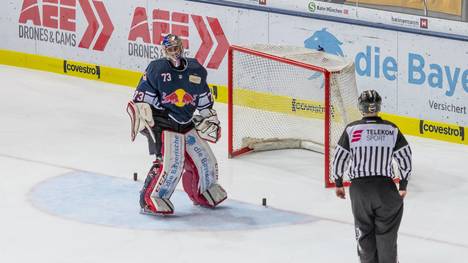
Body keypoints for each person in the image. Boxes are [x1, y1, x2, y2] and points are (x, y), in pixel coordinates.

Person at [126, 34, 227, 215]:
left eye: (176, 48)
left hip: (187, 121)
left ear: (181, 47)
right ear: (164, 51)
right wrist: (144, 116)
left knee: (205, 160)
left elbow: (203, 99)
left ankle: (202, 192)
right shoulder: (156, 69)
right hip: (164, 122)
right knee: (171, 163)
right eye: (170, 49)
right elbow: (140, 98)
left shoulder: (196, 69)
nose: (174, 52)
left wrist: (209, 117)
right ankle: (151, 199)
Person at [332, 90, 412, 263]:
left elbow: (339, 158)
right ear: (378, 107)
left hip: (360, 190)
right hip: (385, 189)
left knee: (364, 232)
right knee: (387, 235)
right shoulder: (391, 129)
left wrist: (338, 183)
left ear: (361, 108)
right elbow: (405, 156)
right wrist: (403, 184)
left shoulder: (352, 129)